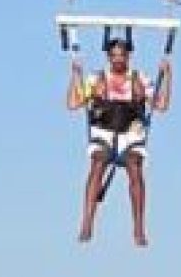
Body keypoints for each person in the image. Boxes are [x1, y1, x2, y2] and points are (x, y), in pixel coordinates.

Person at [67, 37, 172, 247]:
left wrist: (168, 76)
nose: (117, 60)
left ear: (128, 57)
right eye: (113, 56)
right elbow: (73, 103)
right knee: (98, 163)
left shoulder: (139, 79)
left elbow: (161, 105)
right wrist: (76, 75)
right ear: (108, 57)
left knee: (135, 167)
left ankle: (139, 227)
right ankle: (87, 220)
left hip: (131, 135)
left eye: (121, 56)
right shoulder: (97, 79)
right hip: (104, 133)